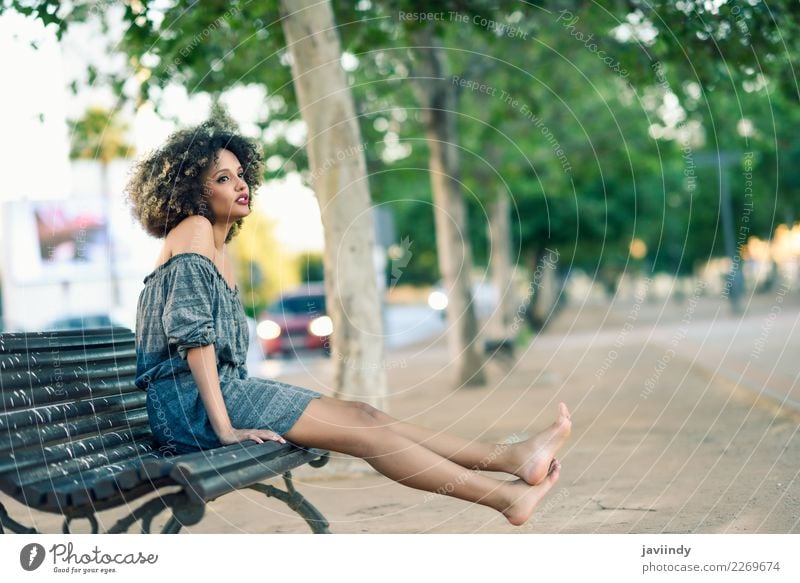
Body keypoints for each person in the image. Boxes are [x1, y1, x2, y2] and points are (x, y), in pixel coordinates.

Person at [125, 119, 572, 527]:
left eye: (241, 174)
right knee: (364, 432)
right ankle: (504, 495)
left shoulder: (218, 248)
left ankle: (514, 461)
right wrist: (225, 430)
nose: (241, 185)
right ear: (191, 193)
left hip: (216, 395)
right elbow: (193, 339)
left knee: (365, 415)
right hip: (192, 409)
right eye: (223, 178)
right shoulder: (194, 231)